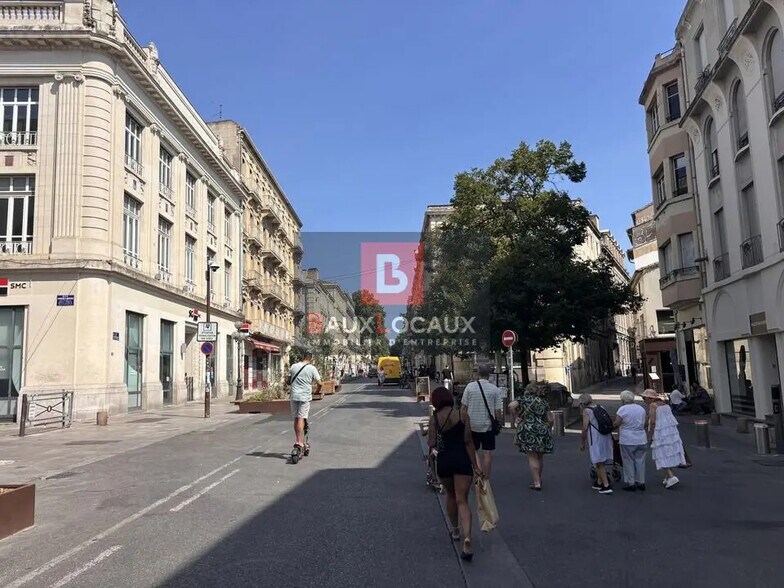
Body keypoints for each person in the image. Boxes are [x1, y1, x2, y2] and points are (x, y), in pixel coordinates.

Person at [428, 386, 482, 561]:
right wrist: (476, 466)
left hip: (444, 461)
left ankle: (455, 530)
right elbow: (468, 442)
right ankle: (468, 538)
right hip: (462, 460)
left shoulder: (434, 418)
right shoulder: (463, 415)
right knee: (463, 500)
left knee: (451, 496)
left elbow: (432, 442)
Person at [508, 381, 554, 491]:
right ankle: (538, 478)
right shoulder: (544, 402)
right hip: (542, 429)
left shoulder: (523, 399)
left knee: (532, 456)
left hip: (528, 429)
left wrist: (516, 416)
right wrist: (548, 428)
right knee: (540, 456)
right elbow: (550, 419)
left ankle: (536, 483)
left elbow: (511, 406)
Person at [460, 365, 504, 479]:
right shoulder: (494, 389)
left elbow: (463, 407)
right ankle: (486, 478)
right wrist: (499, 423)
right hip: (488, 426)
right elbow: (498, 411)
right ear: (489, 375)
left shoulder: (470, 387)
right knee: (487, 453)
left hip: (472, 425)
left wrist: (462, 422)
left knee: (474, 450)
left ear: (478, 374)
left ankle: (478, 473)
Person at [642, 389, 686, 489]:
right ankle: (667, 476)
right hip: (670, 431)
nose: (644, 400)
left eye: (644, 398)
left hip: (660, 432)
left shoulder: (653, 405)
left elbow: (652, 422)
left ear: (650, 398)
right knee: (668, 452)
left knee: (661, 453)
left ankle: (670, 476)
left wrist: (650, 435)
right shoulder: (665, 405)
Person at [579, 393, 614, 494]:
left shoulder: (587, 411)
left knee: (598, 462)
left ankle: (606, 485)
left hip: (595, 438)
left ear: (582, 403)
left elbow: (585, 428)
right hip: (605, 436)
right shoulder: (600, 407)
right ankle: (599, 482)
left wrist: (582, 442)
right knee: (601, 460)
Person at [613, 390, 648, 492]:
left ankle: (631, 483)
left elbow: (617, 423)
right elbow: (645, 423)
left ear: (623, 400)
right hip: (641, 438)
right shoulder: (641, 408)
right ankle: (641, 482)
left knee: (628, 461)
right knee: (640, 461)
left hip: (627, 439)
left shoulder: (622, 409)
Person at [289, 352, 322, 457]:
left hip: (294, 395)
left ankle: (298, 440)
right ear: (310, 359)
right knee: (301, 417)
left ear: (302, 357)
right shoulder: (312, 368)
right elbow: (320, 383)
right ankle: (300, 442)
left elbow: (288, 380)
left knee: (296, 418)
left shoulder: (293, 366)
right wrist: (317, 391)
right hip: (304, 397)